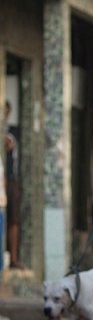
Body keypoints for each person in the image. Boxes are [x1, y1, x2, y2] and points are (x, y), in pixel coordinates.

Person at [4, 103, 22, 269]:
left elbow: (9, 144)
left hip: (10, 179)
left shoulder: (12, 131)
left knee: (13, 219)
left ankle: (14, 259)